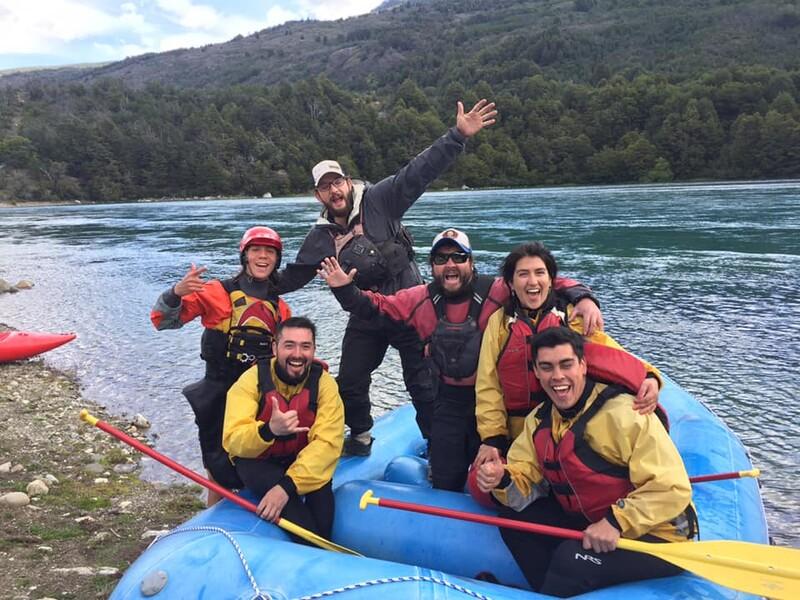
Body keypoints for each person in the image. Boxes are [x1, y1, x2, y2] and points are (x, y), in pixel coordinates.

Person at [276, 99, 498, 456]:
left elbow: (419, 170)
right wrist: (246, 283)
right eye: (325, 188)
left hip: (410, 308)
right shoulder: (320, 238)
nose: (334, 192)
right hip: (366, 314)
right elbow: (290, 278)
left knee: (423, 383)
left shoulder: (381, 199)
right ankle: (361, 435)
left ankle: (437, 446)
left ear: (348, 183)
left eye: (338, 183)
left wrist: (457, 135)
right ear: (317, 195)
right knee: (349, 380)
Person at [316, 228, 602, 490]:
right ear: (432, 266)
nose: (450, 264)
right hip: (448, 401)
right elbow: (375, 307)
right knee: (444, 476)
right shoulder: (419, 298)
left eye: (458, 257)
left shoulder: (498, 290)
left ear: (471, 262)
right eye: (441, 258)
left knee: (497, 476)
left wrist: (583, 297)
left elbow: (541, 280)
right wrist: (344, 289)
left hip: (494, 402)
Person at [477, 327, 696, 597]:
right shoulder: (539, 420)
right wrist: (502, 478)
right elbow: (525, 480)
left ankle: (553, 589)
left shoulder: (625, 413)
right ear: (536, 372)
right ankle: (546, 592)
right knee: (512, 521)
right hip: (591, 520)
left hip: (656, 536)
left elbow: (671, 487)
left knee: (572, 558)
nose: (557, 377)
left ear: (582, 366)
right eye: (546, 367)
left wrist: (616, 522)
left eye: (565, 365)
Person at [474, 241, 663, 469]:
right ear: (511, 284)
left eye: (540, 273)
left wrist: (649, 376)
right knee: (483, 482)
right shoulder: (499, 325)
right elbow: (488, 385)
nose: (533, 282)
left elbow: (610, 353)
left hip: (568, 427)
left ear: (551, 281)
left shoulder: (571, 316)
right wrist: (492, 438)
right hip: (519, 433)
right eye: (523, 274)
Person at [151, 226, 290, 505]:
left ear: (276, 259)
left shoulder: (280, 308)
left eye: (269, 252)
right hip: (220, 390)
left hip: (256, 394)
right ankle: (213, 513)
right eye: (256, 250)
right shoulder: (216, 291)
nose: (262, 257)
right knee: (218, 464)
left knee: (255, 455)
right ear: (245, 256)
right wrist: (176, 292)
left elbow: (286, 356)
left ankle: (250, 508)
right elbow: (163, 321)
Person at [222, 317, 344, 541]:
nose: (297, 354)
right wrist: (268, 430)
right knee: (306, 532)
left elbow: (328, 443)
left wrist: (286, 486)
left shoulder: (325, 385)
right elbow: (233, 439)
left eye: (305, 346)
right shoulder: (250, 381)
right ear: (275, 347)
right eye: (289, 345)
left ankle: (321, 552)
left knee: (323, 525)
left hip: (302, 459)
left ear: (314, 349)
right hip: (258, 461)